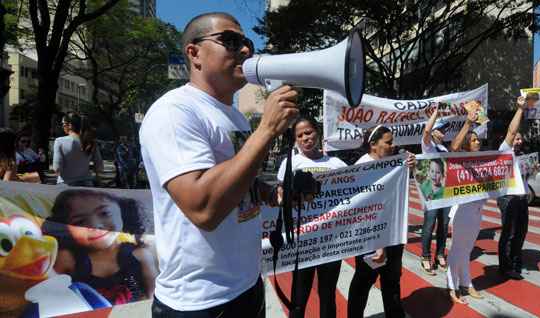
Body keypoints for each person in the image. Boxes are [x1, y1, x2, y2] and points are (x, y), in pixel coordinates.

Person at [139, 12, 298, 317]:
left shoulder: (234, 115)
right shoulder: (173, 112)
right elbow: (203, 209)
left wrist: (271, 192)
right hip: (200, 301)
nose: (246, 50)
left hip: (247, 285)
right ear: (194, 53)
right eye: (231, 41)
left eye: (246, 42)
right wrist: (266, 130)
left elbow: (240, 181)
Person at [446, 98, 526, 304]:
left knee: (467, 249)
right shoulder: (461, 158)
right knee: (457, 249)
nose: (477, 142)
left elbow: (510, 134)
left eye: (477, 140)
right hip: (462, 210)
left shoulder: (485, 159)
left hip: (476, 211)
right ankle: (451, 287)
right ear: (466, 144)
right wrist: (468, 124)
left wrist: (520, 108)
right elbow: (454, 146)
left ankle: (467, 284)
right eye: (473, 140)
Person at [276, 118, 347, 318]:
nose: (305, 138)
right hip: (302, 242)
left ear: (317, 132)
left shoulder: (336, 163)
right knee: (298, 298)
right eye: (300, 135)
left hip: (331, 242)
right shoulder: (290, 162)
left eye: (308, 132)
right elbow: (279, 195)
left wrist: (400, 163)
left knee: (328, 296)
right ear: (295, 140)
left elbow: (361, 181)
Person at [42, 189, 157, 304]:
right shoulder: (68, 259)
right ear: (65, 228)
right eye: (80, 222)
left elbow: (152, 297)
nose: (95, 225)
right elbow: (50, 297)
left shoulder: (140, 255)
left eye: (104, 213)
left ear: (123, 211)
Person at [347, 125, 415, 318]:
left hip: (393, 234)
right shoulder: (363, 167)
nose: (393, 146)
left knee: (392, 281)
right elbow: (363, 209)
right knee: (364, 281)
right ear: (373, 145)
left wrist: (411, 165)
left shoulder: (393, 163)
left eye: (393, 141)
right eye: (388, 142)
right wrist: (377, 241)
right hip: (371, 237)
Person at [496, 96, 530, 280]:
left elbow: (522, 178)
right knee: (509, 233)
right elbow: (511, 131)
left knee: (521, 231)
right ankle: (506, 266)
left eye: (520, 139)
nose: (518, 141)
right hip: (508, 198)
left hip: (522, 198)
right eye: (516, 139)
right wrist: (520, 109)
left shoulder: (522, 156)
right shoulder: (504, 149)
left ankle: (515, 262)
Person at [419, 108, 450, 275]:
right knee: (429, 224)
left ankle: (440, 253)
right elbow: (426, 131)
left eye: (445, 129)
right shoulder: (427, 145)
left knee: (444, 225)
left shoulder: (444, 149)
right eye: (442, 129)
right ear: (434, 131)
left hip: (446, 192)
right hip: (431, 193)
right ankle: (425, 256)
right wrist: (436, 114)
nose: (444, 132)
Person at [52, 113, 104, 186]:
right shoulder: (91, 142)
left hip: (66, 185)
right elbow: (100, 167)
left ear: (70, 125)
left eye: (63, 124)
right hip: (87, 185)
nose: (62, 126)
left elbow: (56, 168)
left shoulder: (59, 141)